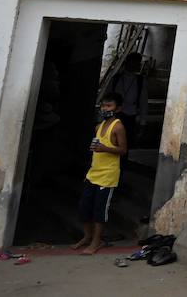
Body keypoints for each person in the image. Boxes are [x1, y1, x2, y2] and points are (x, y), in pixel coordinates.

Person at [72, 93, 127, 254]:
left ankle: (97, 242)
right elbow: (96, 151)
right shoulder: (98, 126)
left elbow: (123, 150)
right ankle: (87, 236)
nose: (105, 109)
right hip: (93, 173)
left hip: (108, 175)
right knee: (84, 207)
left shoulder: (118, 127)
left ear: (118, 109)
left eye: (109, 106)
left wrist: (105, 148)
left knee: (99, 210)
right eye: (103, 105)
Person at [108, 52, 147, 156]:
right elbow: (108, 97)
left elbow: (143, 102)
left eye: (137, 63)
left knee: (125, 145)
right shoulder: (116, 79)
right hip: (115, 116)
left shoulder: (140, 81)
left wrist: (143, 122)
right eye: (133, 62)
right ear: (127, 63)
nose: (135, 65)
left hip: (130, 117)